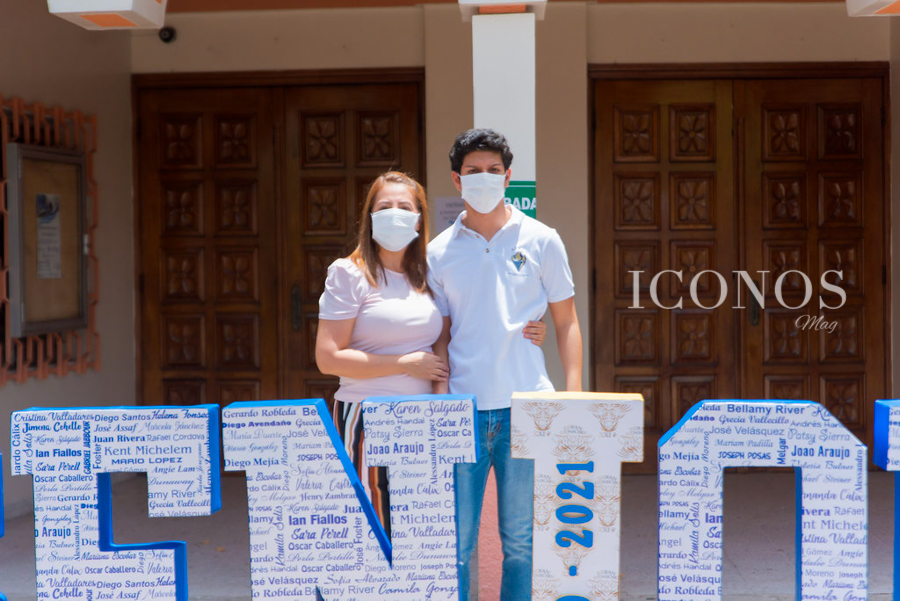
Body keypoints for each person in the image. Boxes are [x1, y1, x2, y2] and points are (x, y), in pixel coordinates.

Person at [315, 170, 547, 536]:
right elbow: (328, 358)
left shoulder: (426, 275)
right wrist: (402, 364)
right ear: (370, 216)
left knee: (419, 536)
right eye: (384, 206)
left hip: (423, 421)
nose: (394, 213)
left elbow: (449, 335)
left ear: (419, 219)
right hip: (366, 418)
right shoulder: (349, 273)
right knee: (372, 530)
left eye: (404, 207)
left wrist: (442, 402)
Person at [429, 129, 584, 601]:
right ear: (457, 180)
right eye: (473, 171)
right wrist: (439, 402)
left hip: (527, 409)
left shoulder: (542, 239)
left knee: (521, 543)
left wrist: (572, 397)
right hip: (461, 411)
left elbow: (566, 322)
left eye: (493, 170)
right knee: (455, 546)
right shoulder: (438, 252)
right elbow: (441, 335)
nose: (484, 178)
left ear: (508, 176)